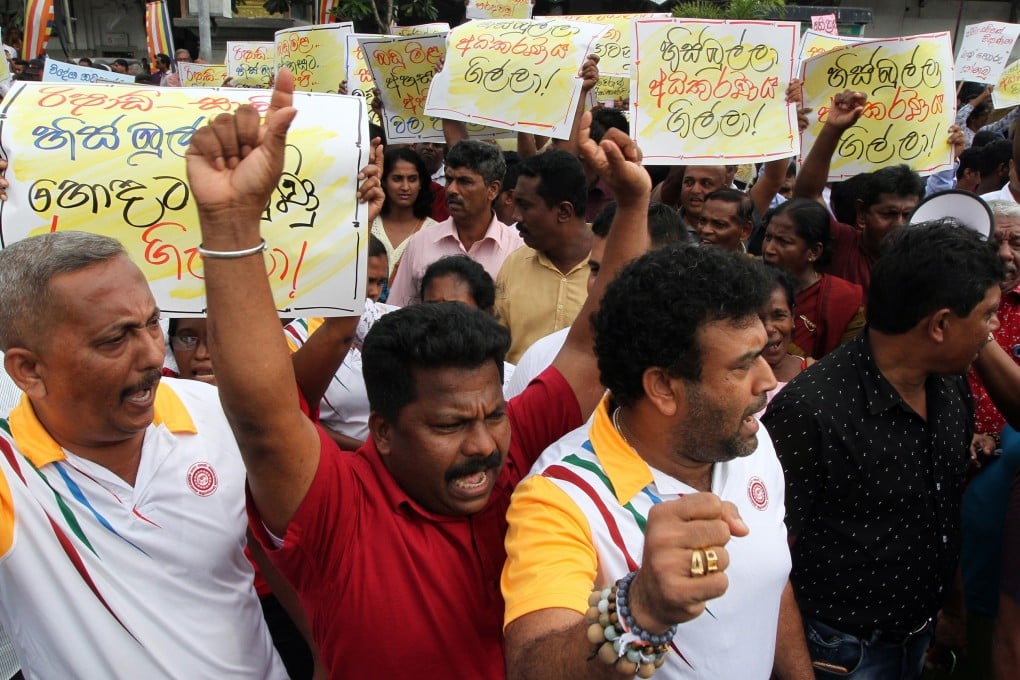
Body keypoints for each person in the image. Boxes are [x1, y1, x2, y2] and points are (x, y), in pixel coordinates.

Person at [185, 68, 653, 678]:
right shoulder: (338, 507)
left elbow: (593, 347)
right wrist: (229, 223)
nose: (484, 444)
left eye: (492, 415)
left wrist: (636, 201)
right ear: (382, 430)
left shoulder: (508, 456)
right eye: (450, 425)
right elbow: (263, 417)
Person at [502, 244, 813, 679]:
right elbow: (532, 667)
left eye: (761, 354)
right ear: (664, 388)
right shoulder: (561, 498)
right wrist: (639, 609)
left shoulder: (752, 439)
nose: (766, 380)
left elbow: (770, 584)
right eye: (742, 367)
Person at [0, 232, 288, 677]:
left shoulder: (218, 412)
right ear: (29, 370)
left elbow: (281, 559)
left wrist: (322, 654)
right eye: (115, 339)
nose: (154, 354)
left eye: (152, 323)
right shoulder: (9, 473)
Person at [763, 220, 1004, 679]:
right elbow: (769, 570)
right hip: (837, 655)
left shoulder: (950, 384)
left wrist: (950, 612)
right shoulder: (810, 413)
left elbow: (942, 506)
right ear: (940, 325)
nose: (991, 330)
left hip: (917, 638)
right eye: (987, 316)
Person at [504, 201, 686, 398]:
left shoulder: (695, 368)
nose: (603, 285)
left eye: (625, 271)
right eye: (596, 270)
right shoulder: (542, 358)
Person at [794, 90, 928, 295]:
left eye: (908, 215)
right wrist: (833, 128)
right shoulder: (841, 243)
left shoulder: (924, 262)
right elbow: (807, 196)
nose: (900, 224)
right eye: (888, 214)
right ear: (862, 214)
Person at [387, 139, 523, 306]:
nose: (451, 190)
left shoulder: (517, 251)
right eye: (449, 179)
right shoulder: (420, 243)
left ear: (493, 189)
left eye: (465, 182)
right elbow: (398, 314)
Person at [496, 150, 592, 362]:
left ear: (564, 212)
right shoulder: (514, 265)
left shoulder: (615, 265)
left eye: (526, 205)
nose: (515, 216)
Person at [761, 198, 865, 359]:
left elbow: (844, 368)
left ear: (814, 252)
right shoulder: (747, 280)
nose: (769, 249)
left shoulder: (845, 302)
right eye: (768, 237)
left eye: (783, 241)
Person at [371, 147, 438, 277]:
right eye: (397, 179)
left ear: (420, 183)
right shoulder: (368, 225)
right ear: (384, 181)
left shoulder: (434, 232)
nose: (405, 187)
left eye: (412, 179)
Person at [759, 265, 811, 404]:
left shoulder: (815, 374)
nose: (769, 329)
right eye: (758, 318)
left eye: (779, 316)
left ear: (793, 316)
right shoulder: (731, 381)